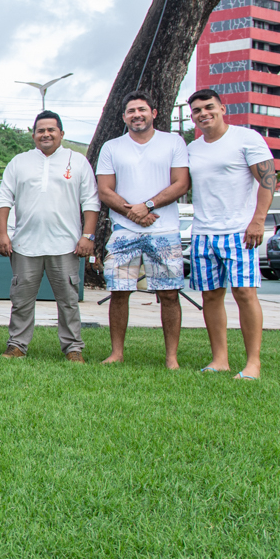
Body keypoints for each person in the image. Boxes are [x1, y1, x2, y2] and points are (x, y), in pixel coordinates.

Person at [95, 91, 191, 369]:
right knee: (119, 292)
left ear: (154, 113)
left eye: (142, 109)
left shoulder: (173, 142)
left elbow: (181, 183)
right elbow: (105, 190)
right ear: (124, 117)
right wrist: (133, 214)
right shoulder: (112, 147)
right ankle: (116, 353)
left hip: (164, 231)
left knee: (169, 293)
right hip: (124, 231)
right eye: (131, 111)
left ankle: (171, 357)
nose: (137, 115)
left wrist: (147, 206)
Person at [0, 111, 99, 362]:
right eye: (40, 130)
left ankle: (73, 347)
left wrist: (87, 236)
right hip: (25, 244)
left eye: (51, 130)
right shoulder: (20, 162)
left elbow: (91, 201)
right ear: (33, 135)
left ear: (61, 133)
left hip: (65, 245)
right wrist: (2, 233)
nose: (46, 134)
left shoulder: (77, 161)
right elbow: (4, 199)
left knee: (69, 301)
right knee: (21, 300)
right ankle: (17, 345)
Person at [185, 88, 275, 380]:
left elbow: (268, 180)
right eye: (197, 110)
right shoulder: (192, 148)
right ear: (192, 116)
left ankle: (253, 364)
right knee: (211, 296)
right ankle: (219, 359)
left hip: (239, 232)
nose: (203, 113)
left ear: (222, 108)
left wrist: (258, 221)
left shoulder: (246, 138)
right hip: (203, 233)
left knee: (245, 294)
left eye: (209, 107)